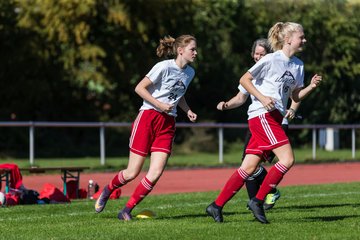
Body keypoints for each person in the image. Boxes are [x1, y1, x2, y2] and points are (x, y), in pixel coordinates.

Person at [207, 22, 322, 224]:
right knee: (287, 160)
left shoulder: (298, 65)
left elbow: (295, 94)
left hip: (276, 117)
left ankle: (216, 205)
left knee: (248, 168)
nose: (304, 40)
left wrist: (311, 87)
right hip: (262, 115)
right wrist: (261, 97)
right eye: (301, 37)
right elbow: (244, 80)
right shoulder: (271, 59)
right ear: (288, 39)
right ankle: (258, 201)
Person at [95, 35, 198, 220]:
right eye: (193, 49)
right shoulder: (163, 67)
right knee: (132, 172)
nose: (196, 53)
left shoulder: (190, 73)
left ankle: (126, 210)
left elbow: (178, 94)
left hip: (168, 123)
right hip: (148, 118)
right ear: (180, 50)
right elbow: (139, 88)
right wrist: (159, 104)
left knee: (156, 172)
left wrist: (187, 110)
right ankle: (108, 189)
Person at [217, 38, 301, 210]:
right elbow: (240, 98)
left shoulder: (279, 65)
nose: (258, 56)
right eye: (256, 53)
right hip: (260, 119)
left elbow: (294, 93)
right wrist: (226, 105)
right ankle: (253, 201)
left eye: (262, 53)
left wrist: (292, 109)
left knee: (261, 164)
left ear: (269, 54)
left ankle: (261, 197)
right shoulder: (254, 72)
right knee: (249, 164)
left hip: (275, 120)